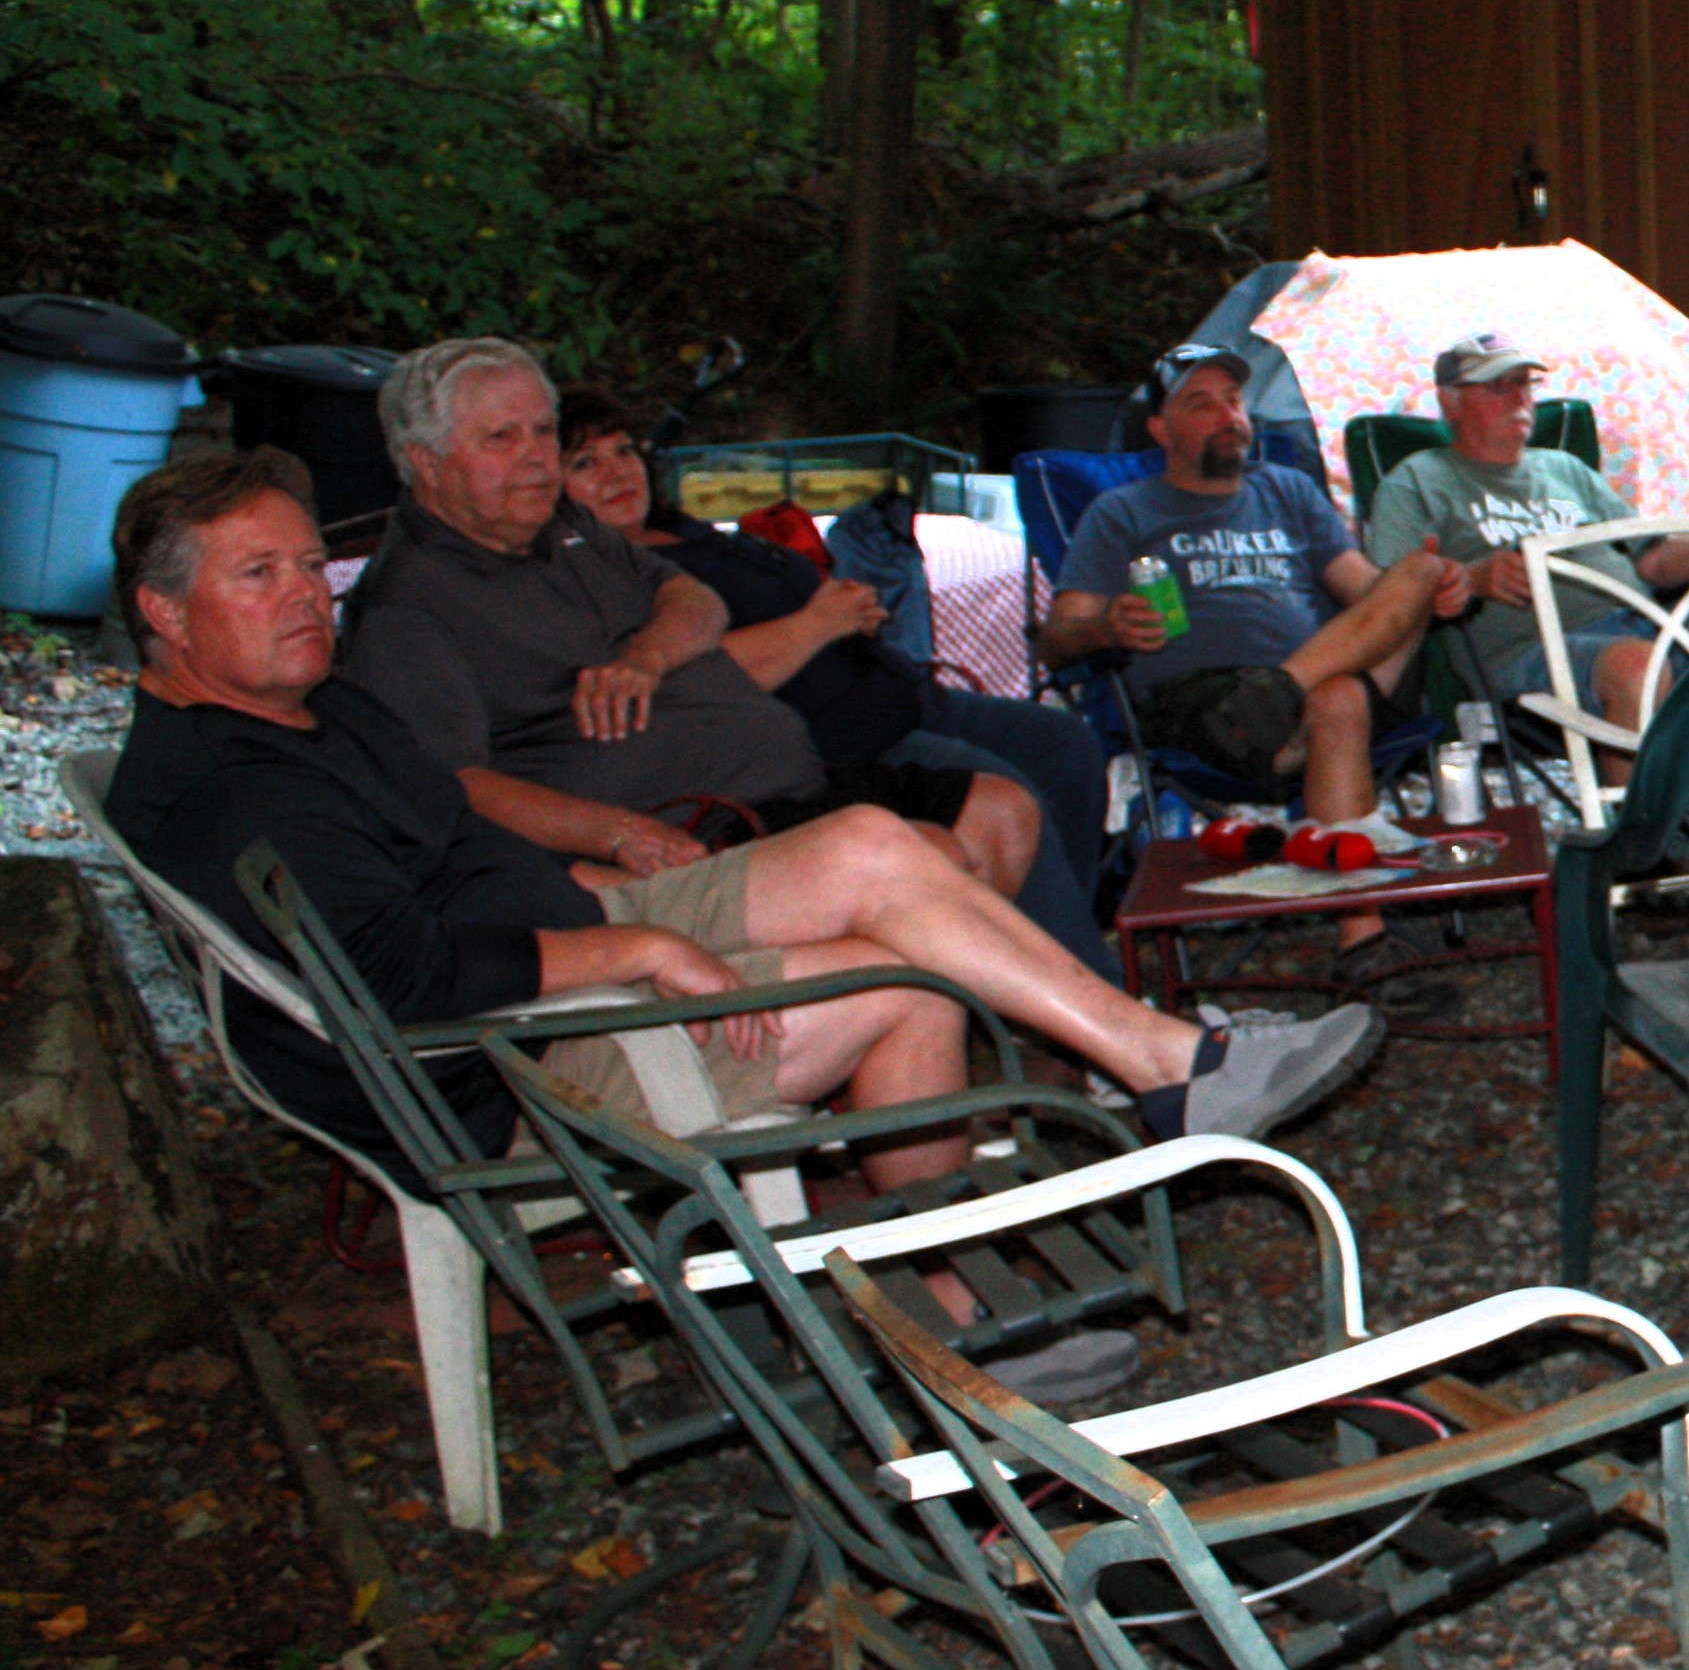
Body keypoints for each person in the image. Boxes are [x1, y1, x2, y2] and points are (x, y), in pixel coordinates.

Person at [104, 454, 1383, 1378]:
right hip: (508, 1059)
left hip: (563, 930)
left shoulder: (311, 706)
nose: (303, 596)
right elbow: (402, 974)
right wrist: (640, 941)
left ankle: (1163, 1067)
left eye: (304, 566)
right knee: (900, 985)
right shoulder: (234, 787)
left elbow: (451, 842)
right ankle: (950, 1315)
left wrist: (612, 874)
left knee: (878, 840)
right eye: (257, 575)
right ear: (163, 611)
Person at [337, 339, 1021, 894]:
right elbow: (450, 785)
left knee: (1003, 811)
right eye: (501, 438)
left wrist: (645, 657)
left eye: (543, 431)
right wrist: (616, 833)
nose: (537, 458)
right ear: (425, 462)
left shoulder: (565, 527)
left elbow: (695, 599)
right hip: (683, 825)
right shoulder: (408, 606)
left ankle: (969, 1011)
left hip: (779, 780)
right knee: (929, 860)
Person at [556, 386, 1118, 979]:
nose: (617, 472)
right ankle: (1077, 985)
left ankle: (1059, 939)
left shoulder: (682, 534)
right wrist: (817, 624)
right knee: (1008, 791)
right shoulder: (605, 577)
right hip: (833, 732)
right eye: (586, 463)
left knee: (1066, 745)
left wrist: (847, 609)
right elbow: (701, 680)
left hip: (892, 688)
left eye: (624, 451)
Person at [1043, 344, 1473, 965]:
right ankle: (1363, 933)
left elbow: (1367, 593)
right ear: (1160, 430)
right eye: (1201, 404)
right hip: (1201, 707)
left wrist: (1436, 588)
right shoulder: (1122, 512)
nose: (1228, 417)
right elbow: (1058, 639)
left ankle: (1279, 692)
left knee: (1418, 574)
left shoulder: (1288, 491)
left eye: (1234, 400)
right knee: (1340, 697)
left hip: (1294, 698)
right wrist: (1106, 626)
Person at [1358, 332, 1689, 735]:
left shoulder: (1565, 468)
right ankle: (1646, 784)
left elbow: (1652, 560)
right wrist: (1474, 578)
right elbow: (1384, 599)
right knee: (1636, 668)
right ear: (1450, 401)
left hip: (1646, 620)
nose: (1519, 398)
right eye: (1498, 386)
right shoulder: (1418, 479)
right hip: (1530, 649)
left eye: (1524, 383)